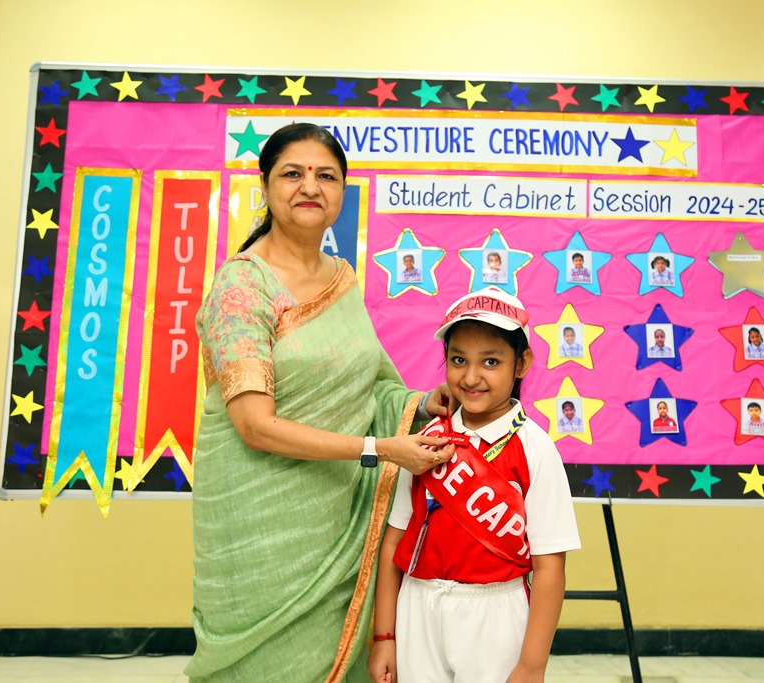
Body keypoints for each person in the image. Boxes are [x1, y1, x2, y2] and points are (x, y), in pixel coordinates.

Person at [186, 123, 456, 683]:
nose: (310, 186)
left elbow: (372, 386)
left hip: (338, 512)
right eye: (293, 173)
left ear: (341, 192)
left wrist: (425, 403)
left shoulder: (342, 280)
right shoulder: (242, 288)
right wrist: (381, 450)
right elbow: (255, 426)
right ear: (265, 186)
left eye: (326, 176)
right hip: (260, 520)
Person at [369, 288, 580, 683]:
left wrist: (532, 666)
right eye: (458, 359)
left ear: (521, 364)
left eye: (491, 361)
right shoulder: (426, 441)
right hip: (417, 607)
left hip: (496, 614)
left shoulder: (535, 448)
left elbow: (550, 567)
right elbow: (394, 543)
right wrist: (384, 637)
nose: (470, 377)